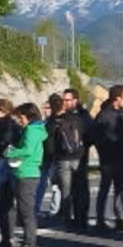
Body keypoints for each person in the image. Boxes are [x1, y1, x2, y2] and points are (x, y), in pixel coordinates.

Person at [3, 103, 48, 247]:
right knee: (25, 212)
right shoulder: (35, 130)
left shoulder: (31, 130)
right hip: (26, 172)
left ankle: (30, 246)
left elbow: (28, 150)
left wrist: (11, 151)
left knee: (26, 213)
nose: (19, 120)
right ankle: (28, 245)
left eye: (21, 117)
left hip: (27, 174)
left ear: (29, 116)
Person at [93, 85, 123, 232]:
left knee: (120, 190)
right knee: (104, 189)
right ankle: (100, 220)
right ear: (117, 98)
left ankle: (119, 218)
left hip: (121, 157)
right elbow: (96, 137)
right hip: (108, 159)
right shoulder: (104, 116)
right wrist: (105, 150)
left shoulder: (122, 114)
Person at [0, 98, 22, 247]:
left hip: (7, 163)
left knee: (7, 202)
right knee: (4, 203)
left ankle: (9, 236)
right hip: (1, 162)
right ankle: (6, 236)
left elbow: (7, 140)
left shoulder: (8, 124)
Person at [54, 88, 90, 231]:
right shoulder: (83, 117)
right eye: (63, 100)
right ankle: (77, 220)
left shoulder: (61, 118)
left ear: (75, 100)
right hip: (72, 157)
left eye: (67, 100)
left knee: (71, 190)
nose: (65, 102)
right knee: (70, 191)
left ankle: (74, 220)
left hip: (72, 158)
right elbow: (90, 136)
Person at [35, 93, 63, 219]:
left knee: (55, 185)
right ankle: (41, 209)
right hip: (46, 157)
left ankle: (54, 210)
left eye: (47, 108)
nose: (45, 110)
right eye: (44, 108)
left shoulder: (51, 123)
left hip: (53, 157)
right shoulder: (46, 123)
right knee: (43, 184)